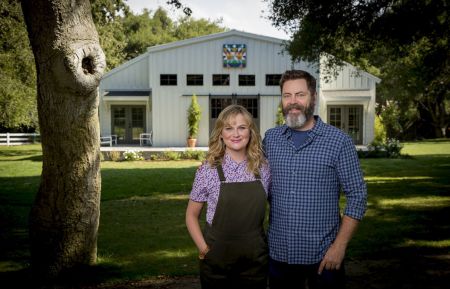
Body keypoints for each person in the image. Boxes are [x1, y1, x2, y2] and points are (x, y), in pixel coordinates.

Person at [263, 70, 367, 289]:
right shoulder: (271, 139)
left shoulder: (338, 142)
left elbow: (357, 196)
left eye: (300, 94)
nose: (293, 102)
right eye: (286, 95)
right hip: (279, 255)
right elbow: (250, 178)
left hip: (324, 256)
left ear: (314, 97)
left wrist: (339, 247)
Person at [186, 104, 271, 289]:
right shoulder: (207, 171)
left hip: (255, 261)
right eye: (229, 128)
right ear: (221, 134)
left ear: (251, 132)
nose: (236, 134)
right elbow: (191, 215)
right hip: (216, 260)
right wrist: (203, 249)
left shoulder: (263, 169)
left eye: (242, 127)